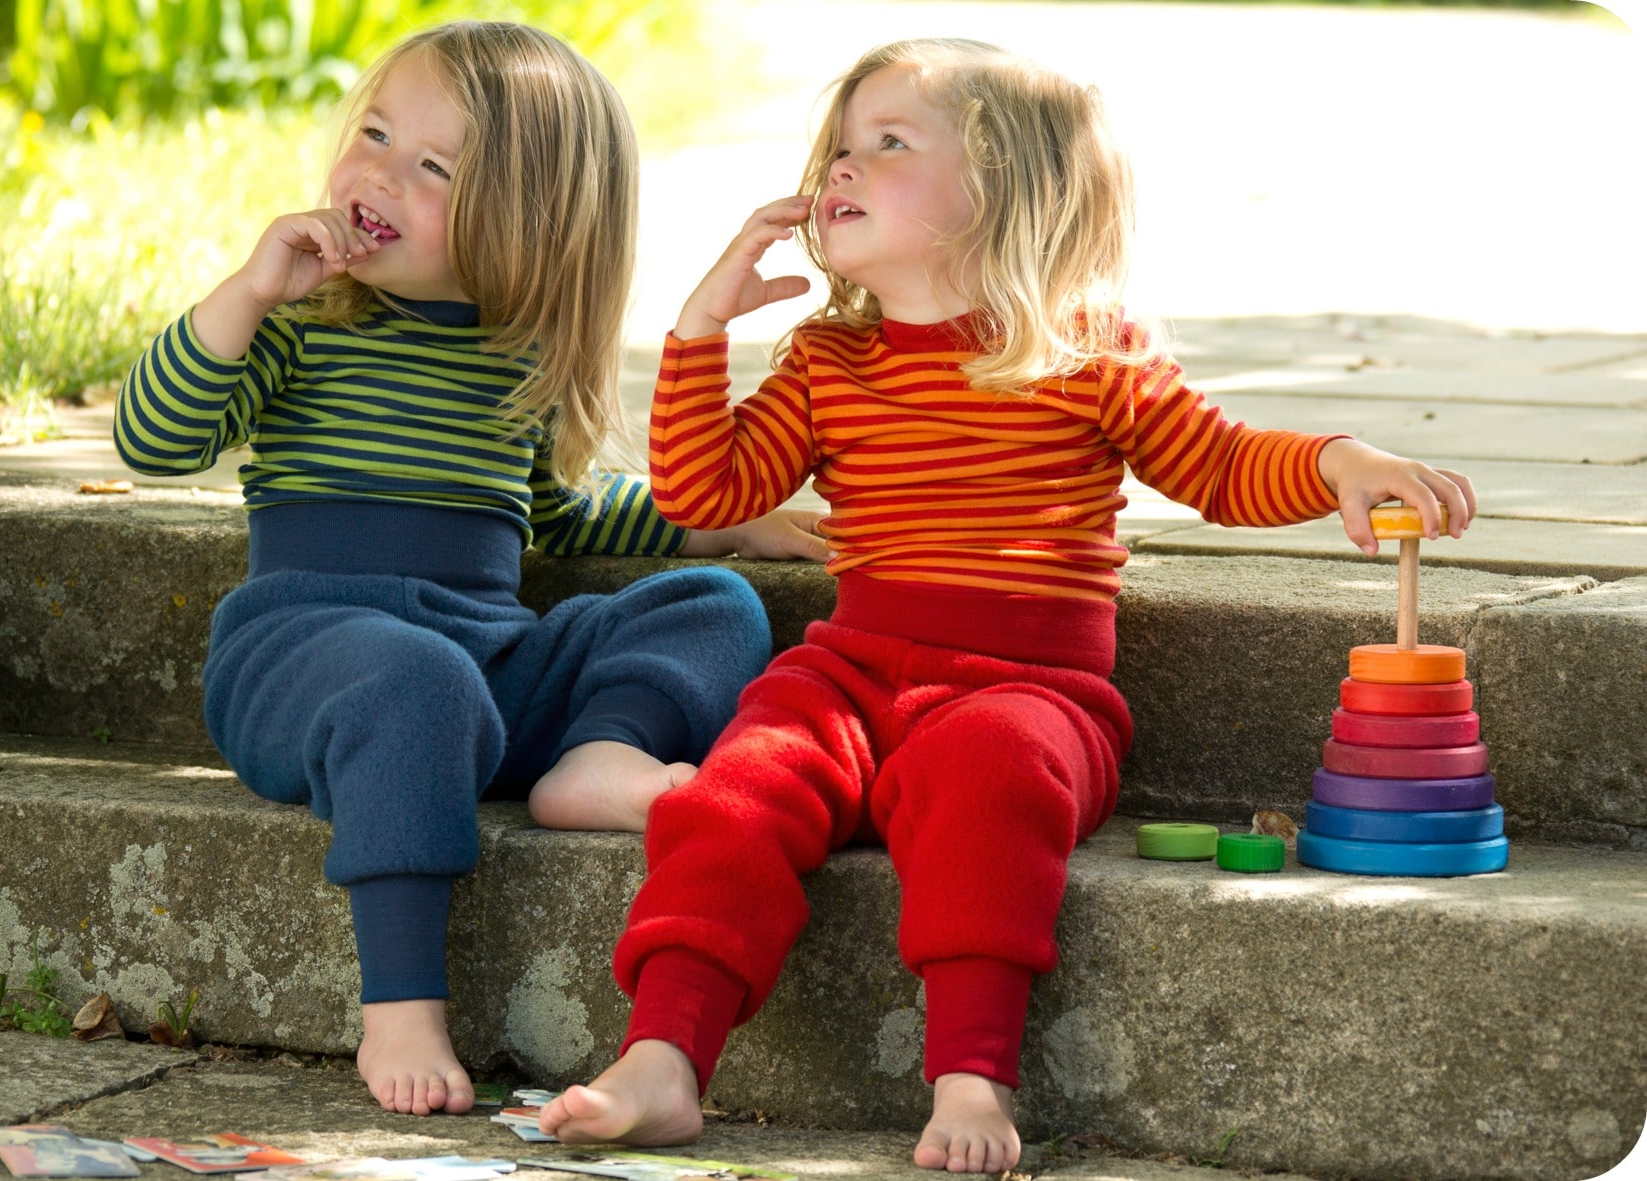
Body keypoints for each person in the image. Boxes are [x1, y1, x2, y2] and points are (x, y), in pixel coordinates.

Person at [537, 37, 1475, 1173]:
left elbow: (1218, 466)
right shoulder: (826, 359)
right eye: (839, 146)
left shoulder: (1086, 353)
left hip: (1030, 693)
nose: (840, 169)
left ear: (1005, 192)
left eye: (889, 145)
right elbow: (705, 489)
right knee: (735, 787)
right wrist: (697, 330)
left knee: (988, 766)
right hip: (848, 675)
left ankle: (970, 1074)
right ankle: (662, 1059)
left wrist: (1333, 460)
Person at [113, 20, 825, 1120]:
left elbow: (553, 514)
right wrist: (243, 296)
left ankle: (593, 757)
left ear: (530, 220)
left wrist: (709, 530)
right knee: (414, 678)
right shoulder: (303, 325)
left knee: (710, 607)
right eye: (376, 134)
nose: (377, 173)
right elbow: (152, 441)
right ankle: (399, 1000)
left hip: (479, 667)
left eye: (432, 167)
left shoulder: (514, 363)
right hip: (302, 655)